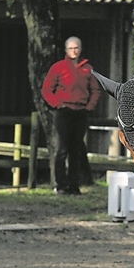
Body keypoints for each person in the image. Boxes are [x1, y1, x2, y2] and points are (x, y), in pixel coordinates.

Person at [41, 36, 99, 195]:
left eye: (76, 48)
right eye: (71, 48)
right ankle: (60, 185)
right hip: (63, 111)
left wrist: (89, 106)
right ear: (66, 50)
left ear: (80, 49)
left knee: (76, 149)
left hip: (80, 112)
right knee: (62, 149)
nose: (74, 51)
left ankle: (74, 185)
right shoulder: (58, 67)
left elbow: (95, 90)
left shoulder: (88, 69)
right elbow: (47, 89)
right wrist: (57, 104)